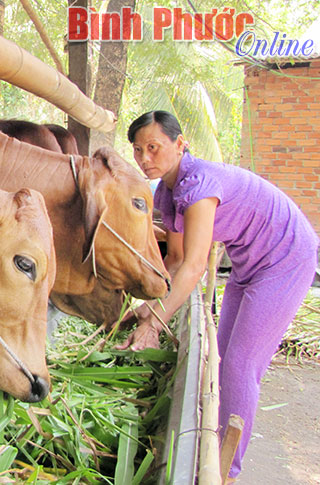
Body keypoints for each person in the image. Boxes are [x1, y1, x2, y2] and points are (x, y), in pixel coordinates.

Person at [117, 110, 318, 480]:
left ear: (180, 144)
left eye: (153, 147)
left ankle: (227, 470)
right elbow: (175, 261)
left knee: (242, 364)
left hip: (286, 257)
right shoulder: (166, 191)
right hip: (248, 263)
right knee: (222, 357)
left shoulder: (199, 184)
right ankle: (214, 441)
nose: (145, 158)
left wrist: (155, 325)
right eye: (138, 150)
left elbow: (194, 267)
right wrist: (148, 308)